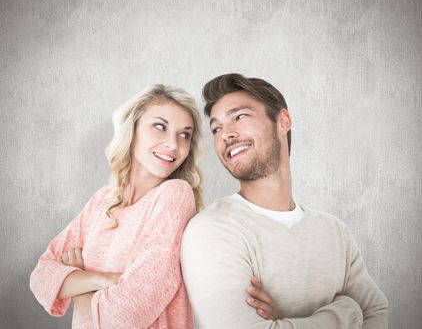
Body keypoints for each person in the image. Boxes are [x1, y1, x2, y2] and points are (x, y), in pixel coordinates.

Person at [181, 73, 388, 329]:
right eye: (216, 128)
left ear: (283, 121)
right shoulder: (212, 229)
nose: (225, 134)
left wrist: (283, 322)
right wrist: (346, 312)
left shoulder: (336, 233)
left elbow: (377, 312)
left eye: (240, 116)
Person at [30, 84, 203, 329]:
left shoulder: (174, 196)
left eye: (184, 134)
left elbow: (126, 316)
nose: (173, 145)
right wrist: (101, 279)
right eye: (160, 127)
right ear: (131, 130)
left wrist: (76, 282)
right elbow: (41, 276)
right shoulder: (102, 201)